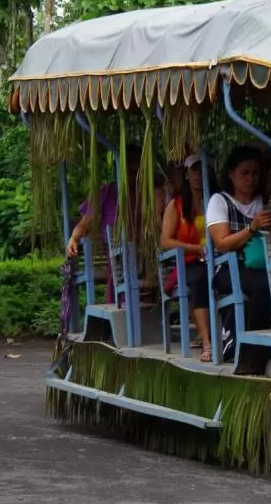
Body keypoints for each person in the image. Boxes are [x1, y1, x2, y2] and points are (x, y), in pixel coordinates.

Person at [206, 146, 271, 370]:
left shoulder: (267, 201)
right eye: (244, 173)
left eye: (255, 173)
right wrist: (252, 228)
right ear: (231, 173)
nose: (251, 178)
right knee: (266, 287)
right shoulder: (219, 201)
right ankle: (253, 350)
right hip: (228, 268)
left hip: (264, 263)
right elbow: (222, 243)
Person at [66, 145, 144, 304]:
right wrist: (74, 238)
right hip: (118, 253)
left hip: (145, 251)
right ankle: (119, 306)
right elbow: (85, 222)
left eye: (137, 163)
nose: (133, 168)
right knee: (118, 265)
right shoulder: (107, 192)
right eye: (129, 163)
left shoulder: (148, 193)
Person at [160, 155, 212, 361]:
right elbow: (166, 241)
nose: (199, 175)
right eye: (195, 170)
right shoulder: (177, 204)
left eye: (204, 170)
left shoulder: (217, 200)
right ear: (187, 175)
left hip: (218, 258)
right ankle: (207, 343)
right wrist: (197, 249)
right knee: (199, 280)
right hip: (190, 261)